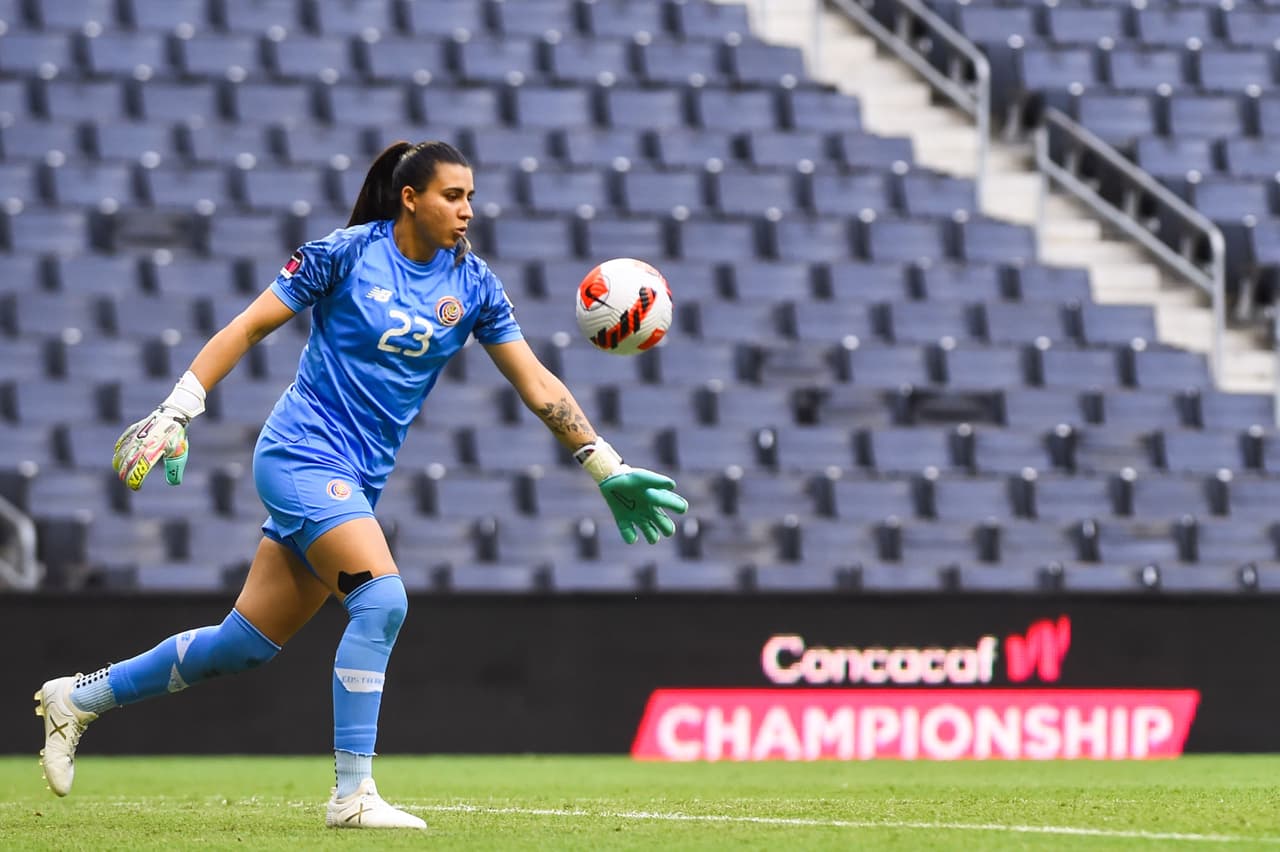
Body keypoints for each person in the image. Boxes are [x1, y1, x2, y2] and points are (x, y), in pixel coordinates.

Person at [34, 140, 688, 830]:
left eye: (470, 196)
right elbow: (248, 326)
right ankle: (352, 795)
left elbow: (537, 384)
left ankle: (79, 698)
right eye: (452, 196)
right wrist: (178, 409)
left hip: (356, 480)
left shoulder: (474, 286)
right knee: (383, 602)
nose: (468, 210)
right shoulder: (342, 254)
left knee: (242, 645)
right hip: (299, 456)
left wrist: (605, 465)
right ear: (411, 198)